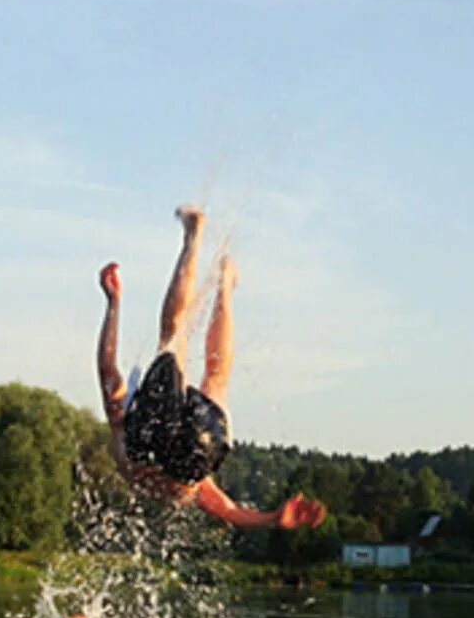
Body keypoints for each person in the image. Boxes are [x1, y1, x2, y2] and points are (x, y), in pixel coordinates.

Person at [97, 206, 327, 530]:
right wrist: (113, 304)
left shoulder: (183, 485)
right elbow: (108, 371)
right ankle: (193, 238)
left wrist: (274, 519)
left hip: (198, 447)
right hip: (163, 439)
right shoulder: (133, 452)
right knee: (174, 334)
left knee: (216, 379)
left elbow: (230, 512)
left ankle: (225, 288)